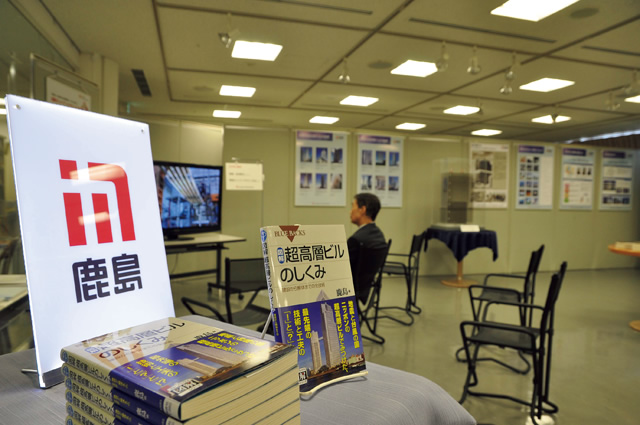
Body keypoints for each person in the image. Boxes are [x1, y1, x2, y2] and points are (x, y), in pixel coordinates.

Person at [347, 193, 386, 275]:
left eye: (353, 207)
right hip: (366, 287)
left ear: (362, 210)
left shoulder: (355, 240)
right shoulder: (379, 236)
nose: (350, 212)